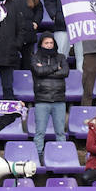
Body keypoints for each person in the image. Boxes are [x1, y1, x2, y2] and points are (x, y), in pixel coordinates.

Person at [30, 33, 69, 161]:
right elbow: (38, 72)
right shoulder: (35, 58)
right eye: (46, 43)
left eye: (51, 43)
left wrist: (46, 70)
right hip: (42, 100)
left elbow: (65, 72)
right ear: (41, 44)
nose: (49, 45)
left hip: (59, 100)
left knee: (60, 133)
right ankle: (38, 158)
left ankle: (61, 157)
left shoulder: (61, 57)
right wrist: (55, 68)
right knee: (40, 133)